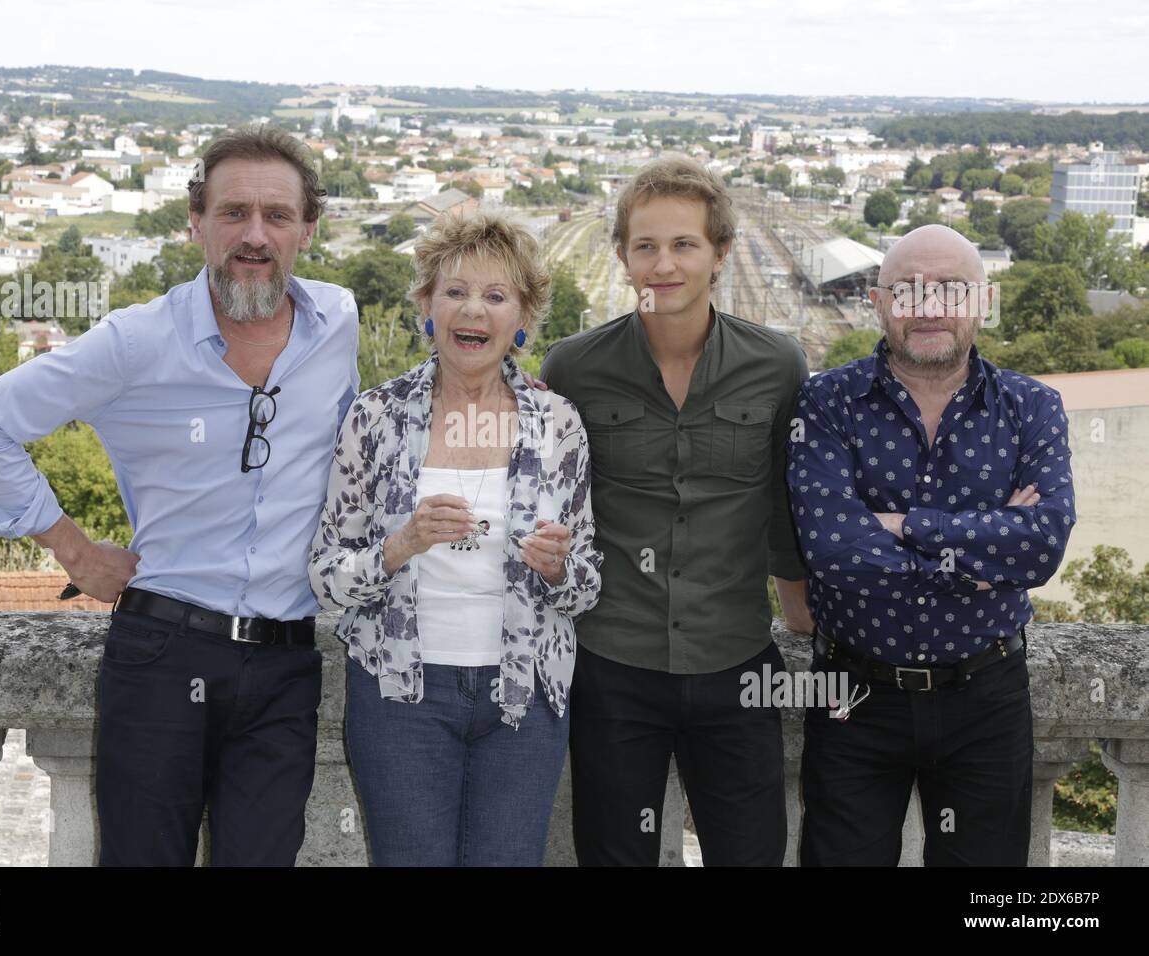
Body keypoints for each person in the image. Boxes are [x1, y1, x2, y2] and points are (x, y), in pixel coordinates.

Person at [0, 126, 360, 866]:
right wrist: (71, 549)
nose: (255, 235)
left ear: (308, 230)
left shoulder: (340, 323)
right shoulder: (134, 343)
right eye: (233, 213)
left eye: (277, 216)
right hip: (164, 657)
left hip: (287, 665)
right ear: (196, 223)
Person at [540, 156, 814, 866]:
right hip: (612, 666)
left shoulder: (777, 364)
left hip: (736, 665)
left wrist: (805, 619)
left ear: (721, 253)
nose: (664, 265)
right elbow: (549, 509)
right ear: (624, 256)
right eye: (646, 246)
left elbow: (786, 509)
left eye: (684, 245)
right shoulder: (572, 368)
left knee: (751, 854)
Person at [309, 210, 601, 866]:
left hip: (524, 698)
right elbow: (326, 574)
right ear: (427, 306)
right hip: (400, 696)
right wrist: (399, 545)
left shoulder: (557, 422)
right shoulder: (376, 417)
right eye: (455, 291)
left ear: (523, 314)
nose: (474, 309)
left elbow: (588, 584)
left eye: (496, 295)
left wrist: (559, 569)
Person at [790, 223, 1076, 866]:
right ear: (878, 302)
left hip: (987, 699)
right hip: (851, 698)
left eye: (950, 289)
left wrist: (900, 525)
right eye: (908, 290)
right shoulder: (827, 401)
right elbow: (834, 551)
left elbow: (1041, 547)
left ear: (983, 300)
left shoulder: (1034, 407)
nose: (929, 307)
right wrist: (980, 563)